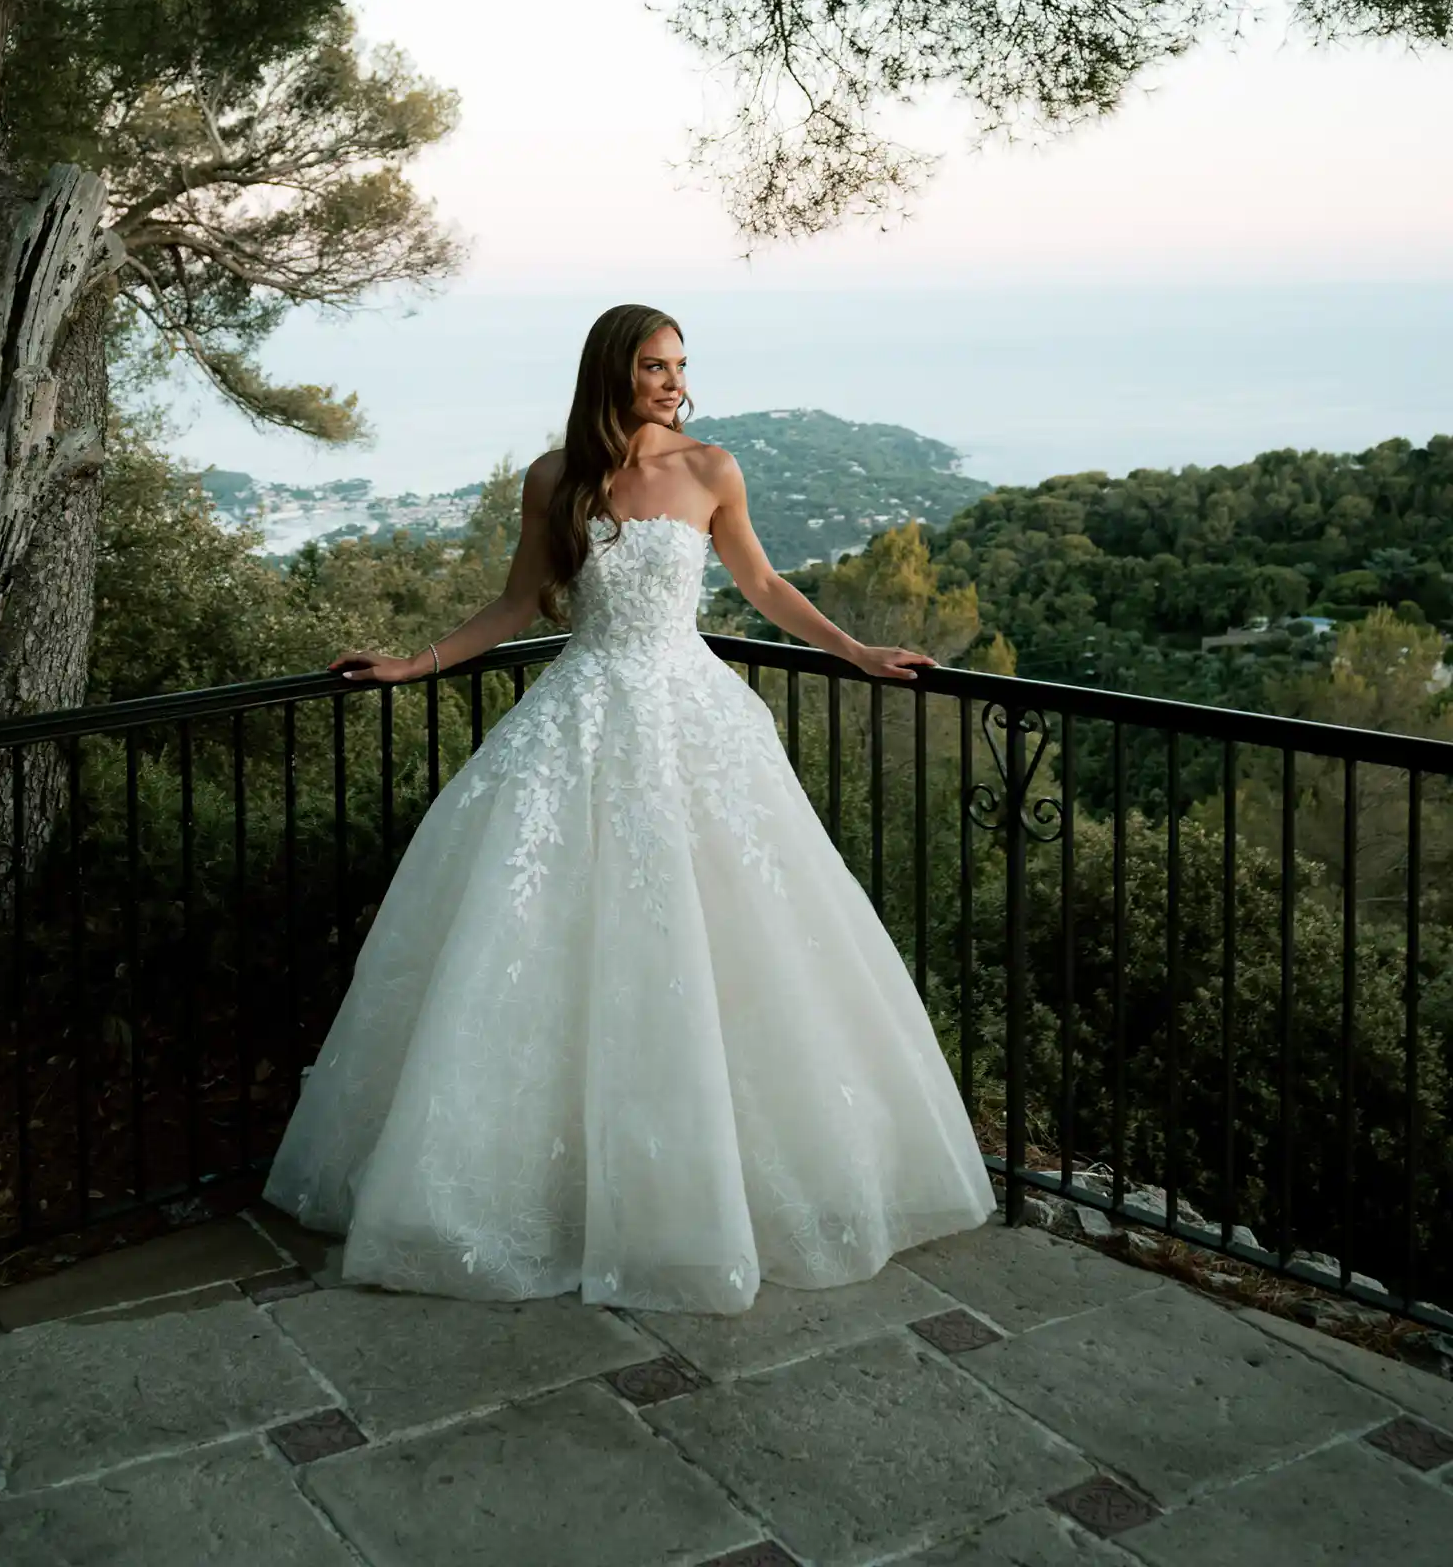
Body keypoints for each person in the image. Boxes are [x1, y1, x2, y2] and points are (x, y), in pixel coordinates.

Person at [263, 304, 996, 1315]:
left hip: (694, 719)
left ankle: (712, 1189)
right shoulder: (554, 479)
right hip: (580, 714)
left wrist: (857, 651)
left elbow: (763, 583)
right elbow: (514, 605)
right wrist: (410, 664)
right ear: (613, 370)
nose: (675, 382)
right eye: (655, 365)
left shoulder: (711, 469)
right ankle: (542, 1191)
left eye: (681, 365)